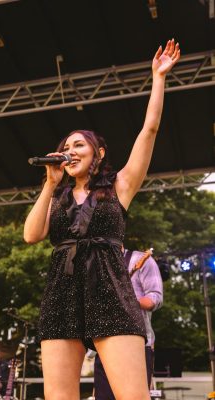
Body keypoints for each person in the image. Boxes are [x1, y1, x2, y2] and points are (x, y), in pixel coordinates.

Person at [24, 39, 180, 400]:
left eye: (79, 144)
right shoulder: (58, 196)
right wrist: (49, 185)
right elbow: (32, 235)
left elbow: (149, 131)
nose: (70, 150)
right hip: (62, 296)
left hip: (110, 292)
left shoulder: (119, 186)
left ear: (99, 153)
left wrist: (158, 78)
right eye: (67, 146)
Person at [94, 249, 163, 399]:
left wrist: (126, 300)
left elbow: (154, 298)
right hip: (103, 344)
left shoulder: (140, 260)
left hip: (136, 346)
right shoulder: (94, 264)